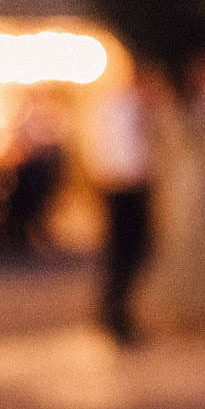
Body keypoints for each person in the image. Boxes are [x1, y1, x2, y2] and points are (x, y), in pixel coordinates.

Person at [83, 60, 160, 346]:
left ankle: (114, 312)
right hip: (123, 188)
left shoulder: (123, 107)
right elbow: (120, 153)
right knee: (124, 253)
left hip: (125, 186)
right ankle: (115, 315)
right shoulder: (120, 108)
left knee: (127, 253)